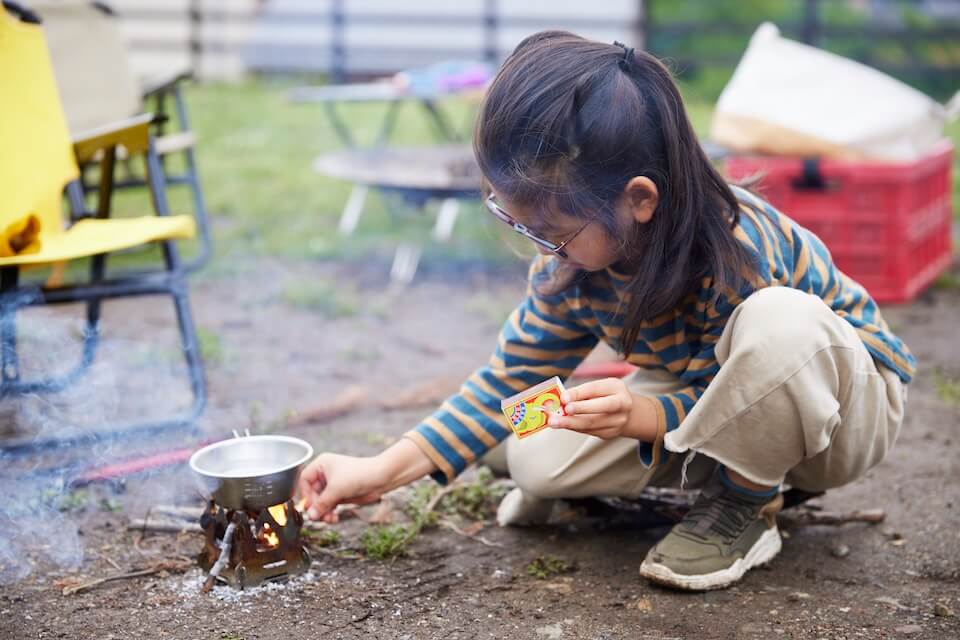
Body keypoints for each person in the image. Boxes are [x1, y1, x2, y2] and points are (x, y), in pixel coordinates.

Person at [298, 30, 913, 591]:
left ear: (638, 199)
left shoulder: (736, 248)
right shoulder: (575, 268)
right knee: (533, 454)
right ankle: (716, 471)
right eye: (512, 218)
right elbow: (504, 386)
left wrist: (646, 414)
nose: (536, 245)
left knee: (782, 321)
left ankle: (745, 505)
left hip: (838, 407)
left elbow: (762, 381)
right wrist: (379, 471)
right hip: (703, 399)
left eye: (551, 230)